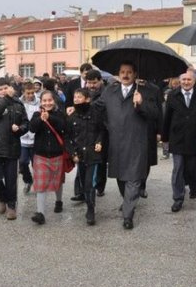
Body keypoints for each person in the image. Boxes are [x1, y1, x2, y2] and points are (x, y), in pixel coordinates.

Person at [94, 61, 159, 229]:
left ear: (135, 74)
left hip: (137, 141)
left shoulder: (145, 91)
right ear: (118, 73)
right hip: (116, 142)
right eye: (122, 71)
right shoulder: (110, 91)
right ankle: (128, 200)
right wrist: (79, 107)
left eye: (129, 72)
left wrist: (142, 103)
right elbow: (97, 108)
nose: (125, 75)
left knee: (134, 178)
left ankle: (128, 215)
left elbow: (155, 114)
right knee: (121, 177)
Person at [162, 72, 196, 212]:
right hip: (177, 138)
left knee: (192, 168)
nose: (186, 82)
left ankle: (194, 186)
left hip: (194, 138)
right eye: (183, 79)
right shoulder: (172, 95)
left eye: (189, 79)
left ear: (194, 81)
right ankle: (178, 198)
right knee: (178, 168)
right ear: (179, 80)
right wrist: (165, 138)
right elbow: (167, 117)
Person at [0, 78, 29, 220]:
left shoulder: (18, 103)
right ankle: (2, 197)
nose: (4, 91)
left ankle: (11, 206)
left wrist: (20, 129)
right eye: (1, 89)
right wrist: (6, 98)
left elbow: (25, 123)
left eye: (6, 88)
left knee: (11, 180)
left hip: (12, 146)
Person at [29, 90, 67, 225]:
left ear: (54, 101)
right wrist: (41, 119)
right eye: (44, 101)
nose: (47, 103)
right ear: (41, 102)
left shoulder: (60, 114)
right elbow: (32, 128)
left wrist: (49, 118)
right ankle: (40, 213)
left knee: (58, 181)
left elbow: (63, 126)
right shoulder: (36, 114)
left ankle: (59, 201)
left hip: (57, 153)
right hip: (40, 154)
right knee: (41, 184)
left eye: (50, 100)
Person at [67, 88, 104, 225]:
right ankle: (88, 200)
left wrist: (99, 142)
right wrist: (72, 153)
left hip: (93, 154)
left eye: (79, 97)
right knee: (83, 182)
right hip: (79, 156)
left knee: (90, 183)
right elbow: (67, 137)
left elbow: (102, 130)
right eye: (75, 97)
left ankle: (90, 209)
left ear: (87, 99)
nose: (76, 99)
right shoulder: (72, 117)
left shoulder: (95, 114)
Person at [85, 69, 108, 196]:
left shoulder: (106, 92)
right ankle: (83, 189)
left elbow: (101, 104)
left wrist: (85, 105)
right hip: (88, 128)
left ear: (100, 81)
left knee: (101, 159)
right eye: (89, 83)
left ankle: (100, 186)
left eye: (94, 83)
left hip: (103, 128)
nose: (91, 86)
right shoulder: (86, 91)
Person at [20, 82, 40, 194]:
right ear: (23, 92)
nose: (30, 95)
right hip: (22, 139)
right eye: (28, 93)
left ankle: (38, 183)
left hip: (36, 139)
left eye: (32, 92)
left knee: (36, 164)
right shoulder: (19, 102)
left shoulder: (39, 102)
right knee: (22, 162)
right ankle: (28, 180)